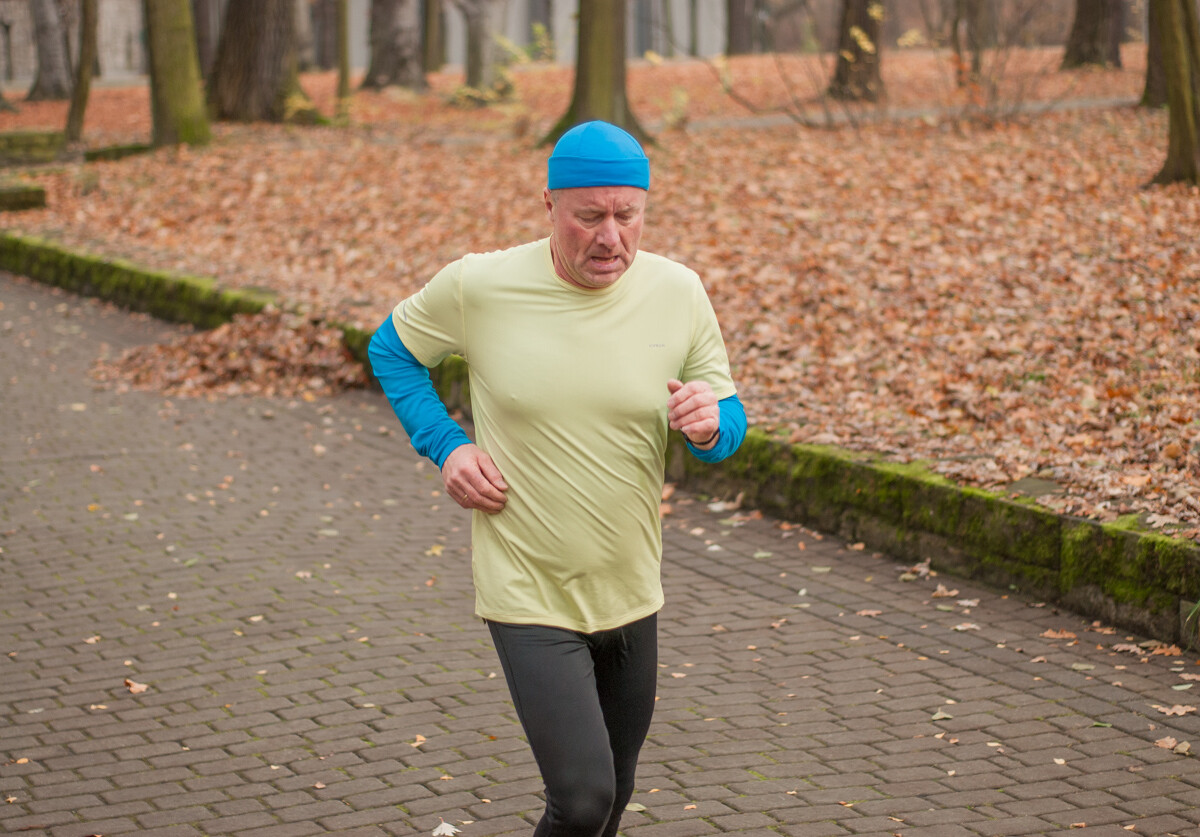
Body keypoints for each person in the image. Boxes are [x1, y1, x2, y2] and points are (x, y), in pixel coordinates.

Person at [368, 120, 747, 837]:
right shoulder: (481, 284)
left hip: (631, 586)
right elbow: (392, 349)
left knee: (612, 798)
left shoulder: (679, 291)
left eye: (627, 215)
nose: (610, 237)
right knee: (580, 799)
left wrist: (709, 425)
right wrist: (446, 444)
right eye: (589, 216)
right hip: (528, 585)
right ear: (549, 204)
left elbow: (723, 425)